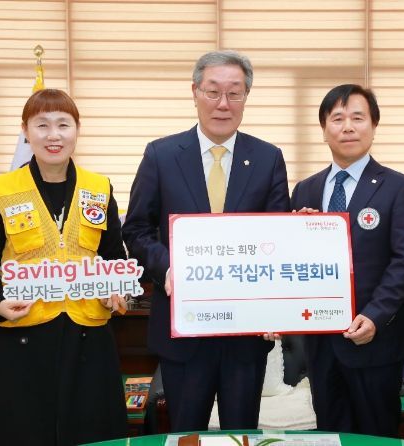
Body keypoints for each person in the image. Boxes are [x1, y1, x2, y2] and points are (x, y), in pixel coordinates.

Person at [122, 50, 290, 432]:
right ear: (195, 92)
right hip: (183, 331)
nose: (223, 103)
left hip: (246, 334)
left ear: (246, 97)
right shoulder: (161, 155)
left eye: (234, 93)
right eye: (213, 91)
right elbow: (136, 229)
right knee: (186, 434)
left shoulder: (268, 158)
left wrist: (278, 306)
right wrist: (168, 267)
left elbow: (279, 239)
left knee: (241, 435)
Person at [0, 89, 128, 446]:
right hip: (23, 335)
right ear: (25, 131)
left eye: (63, 124)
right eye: (42, 125)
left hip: (87, 338)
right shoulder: (3, 190)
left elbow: (114, 256)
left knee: (91, 433)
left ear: (77, 129)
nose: (53, 135)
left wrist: (115, 289)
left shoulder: (99, 188)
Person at [290, 84, 404, 436]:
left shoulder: (398, 187)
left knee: (376, 435)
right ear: (324, 130)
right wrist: (296, 232)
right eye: (337, 119)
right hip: (320, 343)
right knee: (330, 434)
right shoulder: (305, 189)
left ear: (374, 126)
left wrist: (375, 316)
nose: (347, 127)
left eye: (358, 118)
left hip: (375, 341)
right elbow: (294, 261)